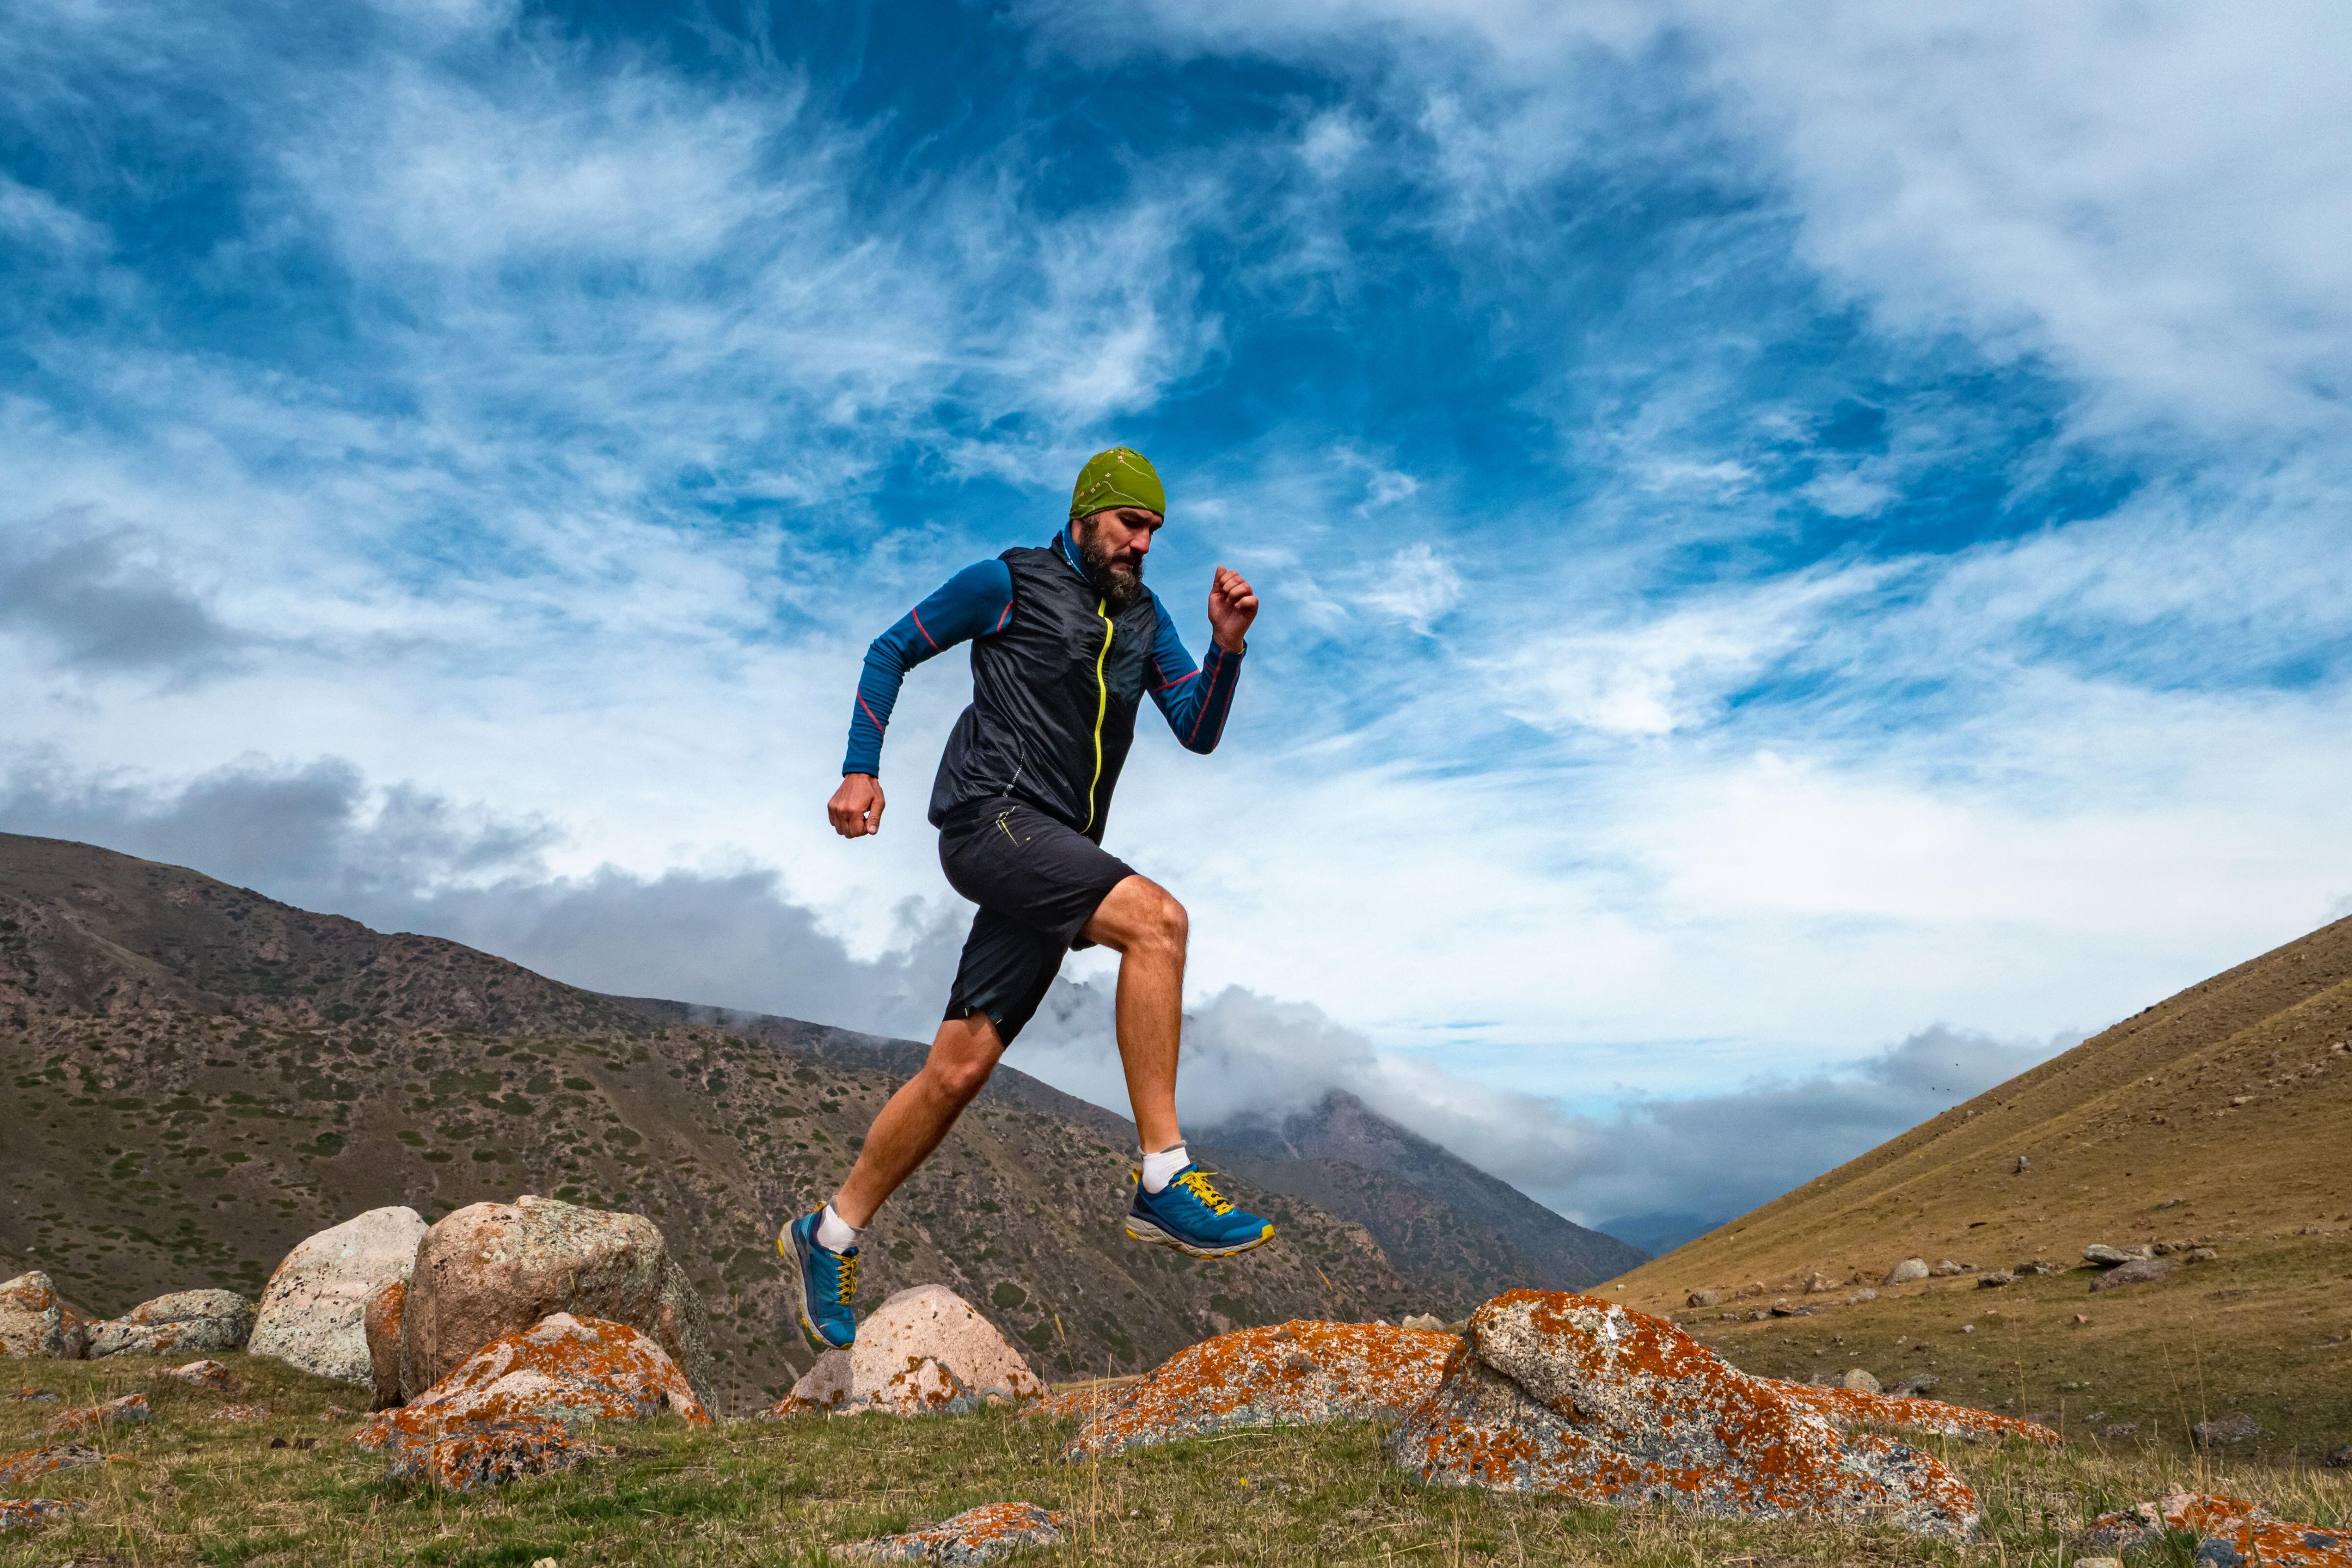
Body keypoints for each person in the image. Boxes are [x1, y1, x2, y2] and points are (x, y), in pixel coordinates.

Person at [780, 447, 1274, 1350]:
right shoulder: (1008, 581)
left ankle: (830, 1232)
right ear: (1086, 515)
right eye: (1130, 524)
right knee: (1159, 922)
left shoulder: (1147, 618)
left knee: (959, 1069)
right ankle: (1164, 1178)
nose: (1142, 544)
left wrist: (1226, 650)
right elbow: (892, 648)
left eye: (1154, 531)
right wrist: (860, 768)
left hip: (1053, 854)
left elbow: (1196, 730)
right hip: (990, 820)